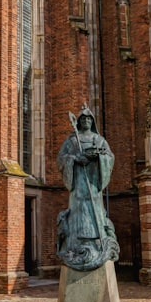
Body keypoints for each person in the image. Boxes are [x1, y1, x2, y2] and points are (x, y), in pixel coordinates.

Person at [56, 106, 120, 271]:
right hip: (78, 186)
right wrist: (76, 159)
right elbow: (61, 159)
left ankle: (97, 243)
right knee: (79, 211)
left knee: (95, 212)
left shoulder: (99, 140)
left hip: (93, 184)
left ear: (92, 122)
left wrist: (98, 158)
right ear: (78, 122)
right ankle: (76, 245)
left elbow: (109, 157)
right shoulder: (71, 141)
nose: (86, 121)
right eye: (83, 119)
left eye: (88, 119)